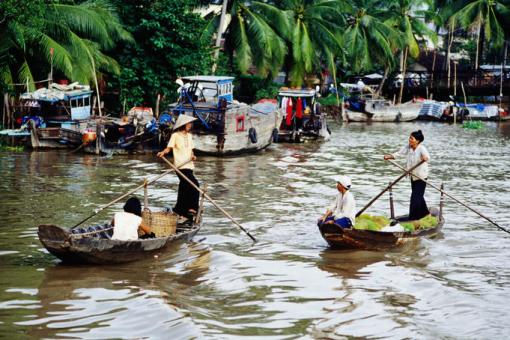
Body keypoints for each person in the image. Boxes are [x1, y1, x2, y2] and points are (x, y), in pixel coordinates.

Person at [157, 114, 200, 222]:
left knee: (184, 188)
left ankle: (179, 210)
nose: (190, 125)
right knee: (195, 185)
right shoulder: (175, 135)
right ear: (183, 125)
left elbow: (191, 150)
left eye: (190, 123)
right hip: (180, 166)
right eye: (188, 123)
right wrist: (162, 153)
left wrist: (193, 156)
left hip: (189, 165)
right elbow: (169, 148)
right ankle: (192, 208)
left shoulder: (189, 136)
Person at [384, 130, 430, 221]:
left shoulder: (421, 148)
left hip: (421, 177)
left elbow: (427, 158)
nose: (409, 140)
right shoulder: (408, 147)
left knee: (415, 199)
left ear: (417, 141)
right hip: (412, 176)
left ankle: (413, 219)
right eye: (410, 138)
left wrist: (424, 158)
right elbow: (399, 153)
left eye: (412, 138)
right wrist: (389, 156)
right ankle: (426, 213)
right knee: (418, 196)